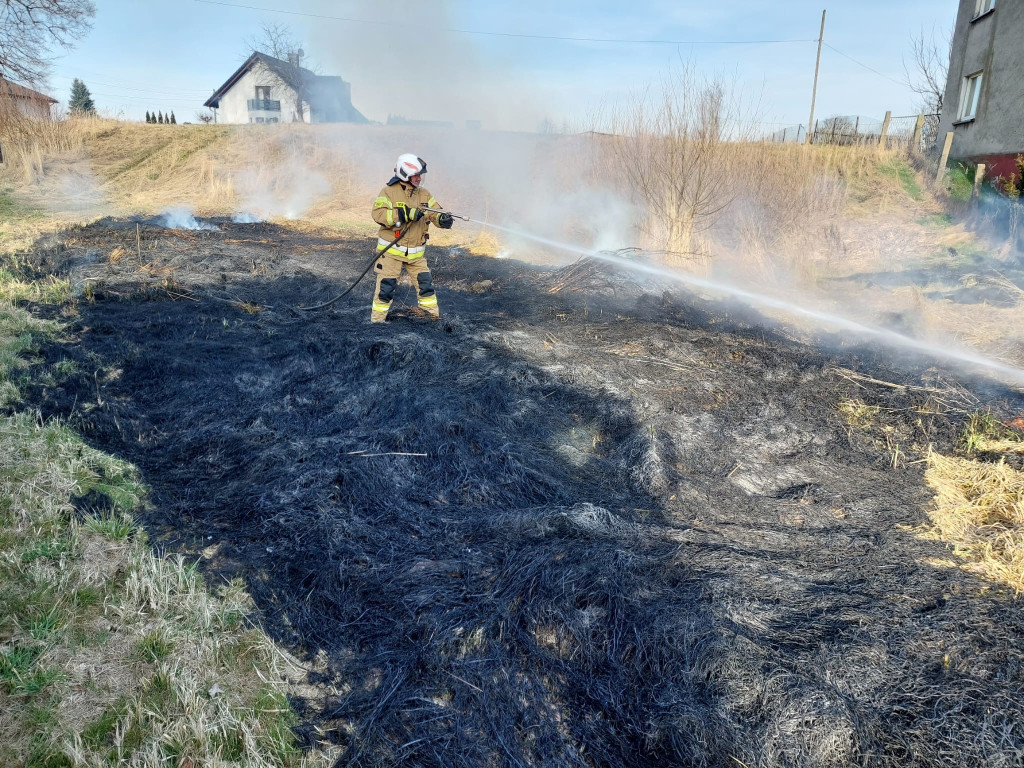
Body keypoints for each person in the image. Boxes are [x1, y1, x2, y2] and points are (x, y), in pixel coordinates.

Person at [369, 154, 454, 322]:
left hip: (416, 255)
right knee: (386, 289)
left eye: (420, 175)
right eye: (416, 175)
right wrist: (403, 214)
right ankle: (377, 324)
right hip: (391, 252)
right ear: (404, 173)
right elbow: (378, 214)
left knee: (426, 287)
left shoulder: (424, 194)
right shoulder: (388, 192)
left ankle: (433, 321)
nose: (419, 178)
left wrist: (442, 219)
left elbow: (434, 212)